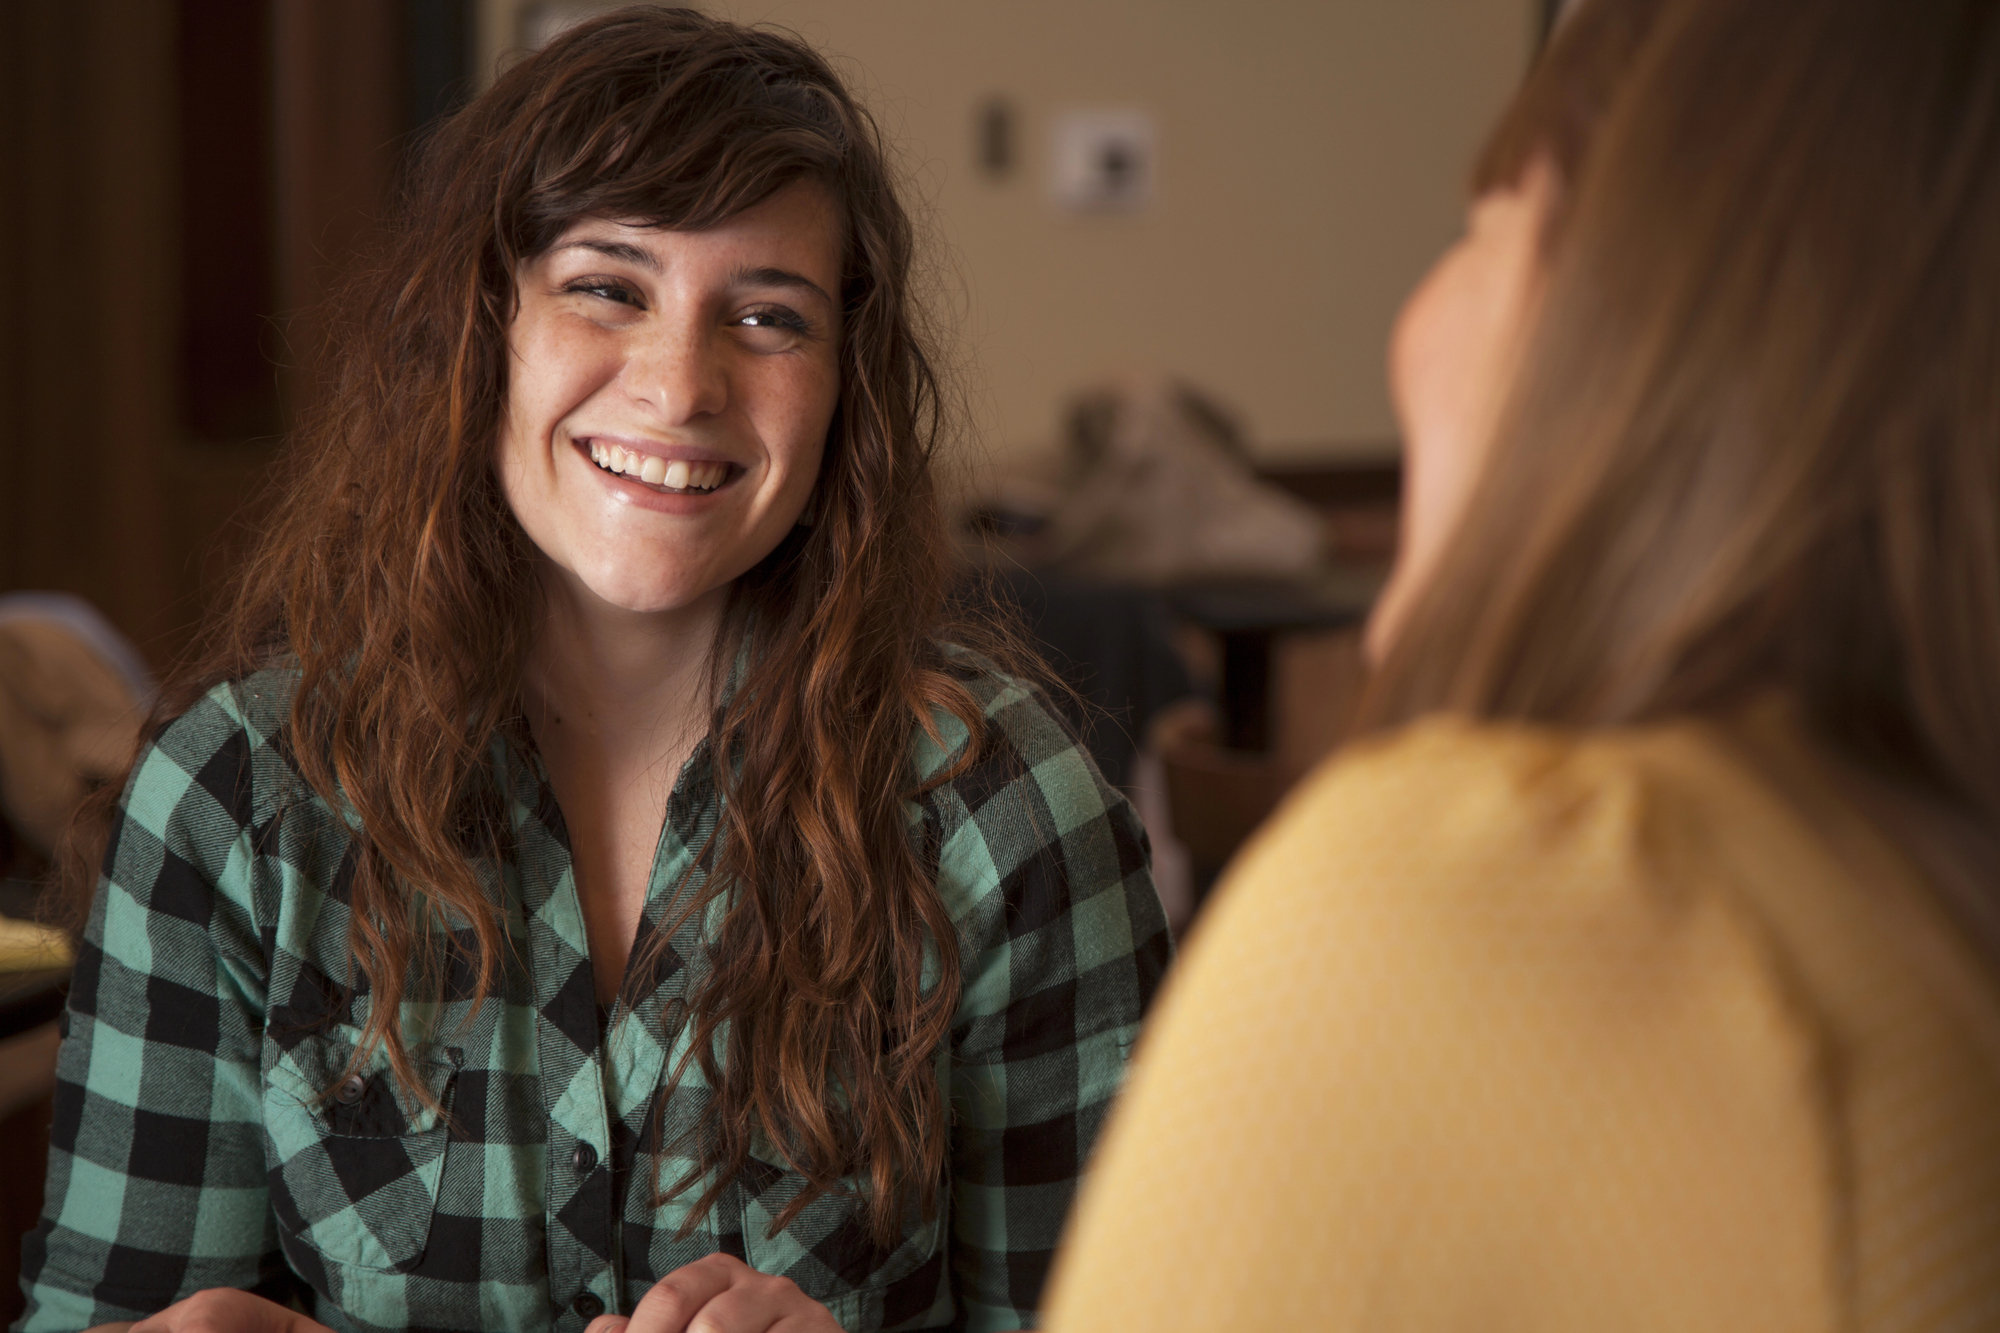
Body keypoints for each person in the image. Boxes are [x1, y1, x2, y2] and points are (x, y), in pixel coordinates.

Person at [16, 10, 1169, 1333]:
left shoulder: (1007, 806)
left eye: (768, 315)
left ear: (846, 388)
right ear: (482, 325)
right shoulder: (233, 796)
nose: (682, 384)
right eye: (608, 286)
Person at [1044, 0, 2000, 1328]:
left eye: (1474, 231)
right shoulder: (1914, 904)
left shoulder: (1529, 883)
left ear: (1636, 327)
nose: (1408, 328)